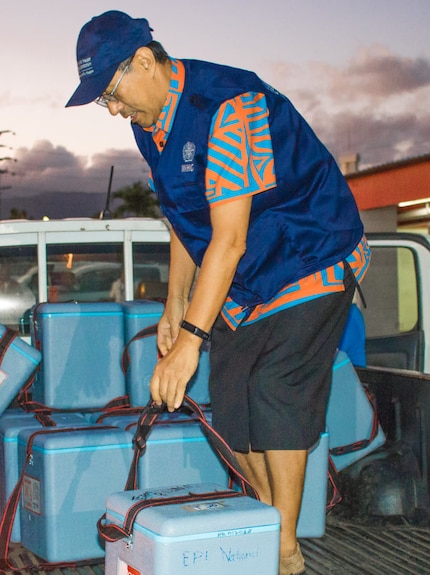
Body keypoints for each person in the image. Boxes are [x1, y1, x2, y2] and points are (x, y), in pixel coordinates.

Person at [66, 11, 369, 574]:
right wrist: (175, 303)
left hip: (310, 252)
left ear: (144, 61)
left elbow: (227, 241)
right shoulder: (148, 122)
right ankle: (266, 515)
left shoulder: (228, 107)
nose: (111, 108)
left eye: (111, 92)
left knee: (275, 386)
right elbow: (189, 219)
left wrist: (190, 341)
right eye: (103, 100)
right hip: (248, 275)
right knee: (231, 401)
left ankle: (283, 544)